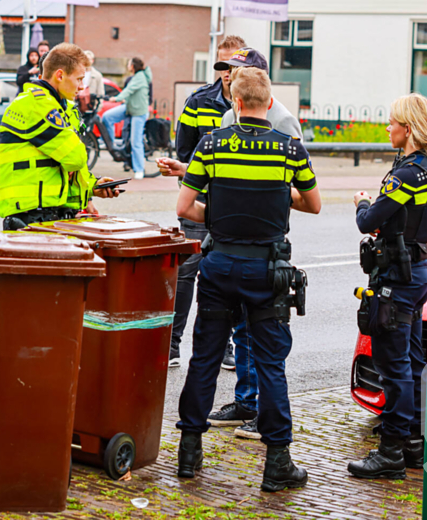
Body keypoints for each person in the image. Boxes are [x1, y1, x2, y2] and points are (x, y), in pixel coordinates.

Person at [173, 67, 321, 492]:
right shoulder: (288, 149)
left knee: (205, 358)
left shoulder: (212, 144)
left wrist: (218, 213)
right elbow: (312, 204)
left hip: (219, 264)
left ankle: (189, 453)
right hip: (267, 271)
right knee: (270, 364)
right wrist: (278, 196)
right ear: (269, 103)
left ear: (235, 103)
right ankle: (277, 463)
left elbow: (186, 207)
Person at [347, 93, 427, 480]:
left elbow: (370, 221)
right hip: (417, 270)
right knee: (413, 361)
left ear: (409, 128)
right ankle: (414, 443)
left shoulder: (406, 175)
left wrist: (361, 202)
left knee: (393, 364)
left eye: (393, 122)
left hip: (397, 278)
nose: (388, 127)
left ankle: (390, 453)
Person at [169, 35, 245, 373]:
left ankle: (226, 345)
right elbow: (183, 151)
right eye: (221, 65)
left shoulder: (255, 103)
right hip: (201, 201)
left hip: (234, 206)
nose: (227, 71)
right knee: (187, 272)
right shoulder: (199, 101)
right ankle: (172, 342)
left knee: (227, 274)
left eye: (233, 65)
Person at [0, 43, 120, 229]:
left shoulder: (62, 106)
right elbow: (75, 157)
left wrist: (91, 186)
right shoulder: (37, 105)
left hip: (49, 210)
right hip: (31, 214)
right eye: (79, 79)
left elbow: (67, 165)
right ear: (60, 75)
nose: (81, 87)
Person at [103, 57, 151, 179]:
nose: (128, 66)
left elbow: (128, 90)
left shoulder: (139, 77)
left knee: (136, 141)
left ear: (133, 66)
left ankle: (139, 169)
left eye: (129, 64)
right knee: (107, 117)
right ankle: (113, 143)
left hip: (139, 113)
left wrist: (116, 98)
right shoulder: (136, 77)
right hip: (129, 107)